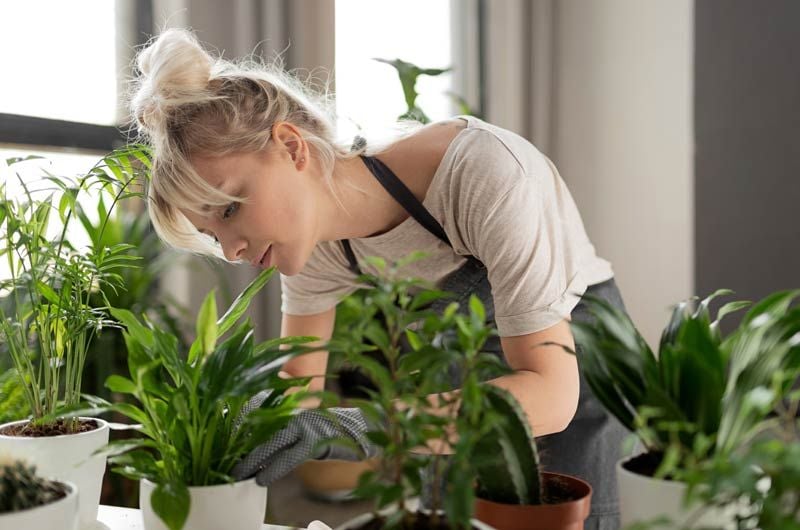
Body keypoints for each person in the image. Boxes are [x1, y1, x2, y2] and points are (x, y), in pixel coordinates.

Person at [131, 28, 630, 529]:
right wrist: (234, 422)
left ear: (290, 146)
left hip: (567, 368)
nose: (234, 250)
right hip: (460, 379)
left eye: (231, 207)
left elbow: (550, 393)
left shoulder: (483, 174)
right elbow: (298, 394)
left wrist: (363, 426)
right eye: (212, 235)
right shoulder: (315, 247)